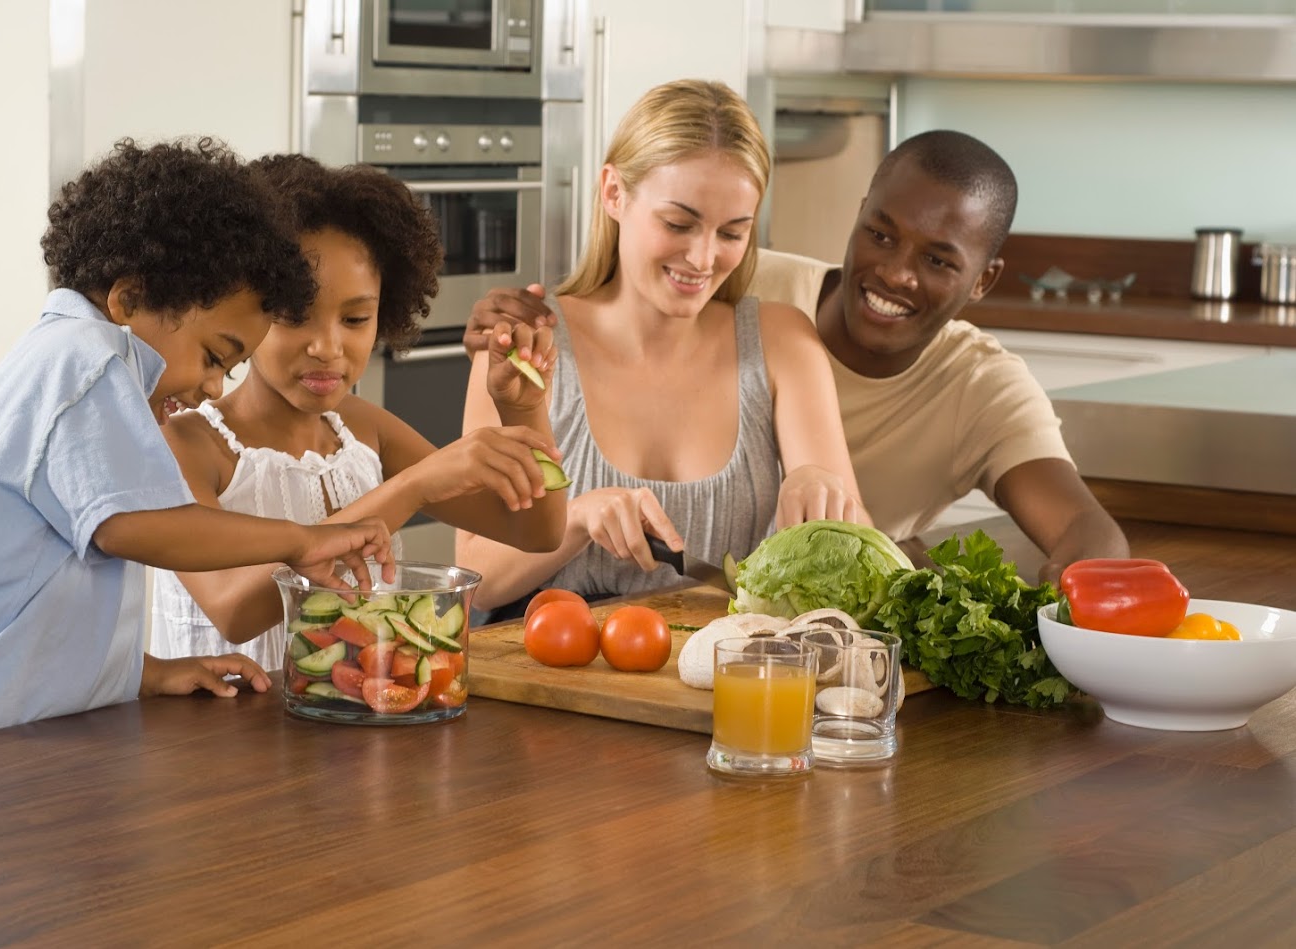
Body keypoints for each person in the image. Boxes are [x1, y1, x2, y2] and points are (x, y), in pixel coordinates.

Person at [0, 139, 395, 752]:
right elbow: (136, 527)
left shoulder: (49, 358)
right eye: (213, 356)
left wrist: (141, 673)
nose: (210, 387)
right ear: (129, 300)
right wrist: (302, 540)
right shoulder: (92, 362)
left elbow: (26, 590)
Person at [471, 129, 1129, 584]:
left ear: (982, 281)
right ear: (857, 218)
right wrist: (511, 321)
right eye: (880, 234)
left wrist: (881, 545)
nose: (896, 275)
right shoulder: (731, 287)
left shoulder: (974, 384)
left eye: (936, 260)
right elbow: (627, 290)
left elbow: (1082, 528)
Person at [456, 79, 866, 617]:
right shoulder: (527, 344)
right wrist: (574, 519)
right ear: (613, 193)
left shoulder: (784, 343)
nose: (702, 258)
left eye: (732, 233)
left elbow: (859, 557)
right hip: (550, 669)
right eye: (679, 223)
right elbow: (472, 582)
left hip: (723, 672)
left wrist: (821, 484)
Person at [152, 156, 566, 670]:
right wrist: (412, 487)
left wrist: (521, 407)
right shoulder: (186, 444)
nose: (328, 346)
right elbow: (233, 610)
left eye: (355, 318)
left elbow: (538, 534)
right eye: (296, 316)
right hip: (220, 739)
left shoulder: (364, 430)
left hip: (357, 722)